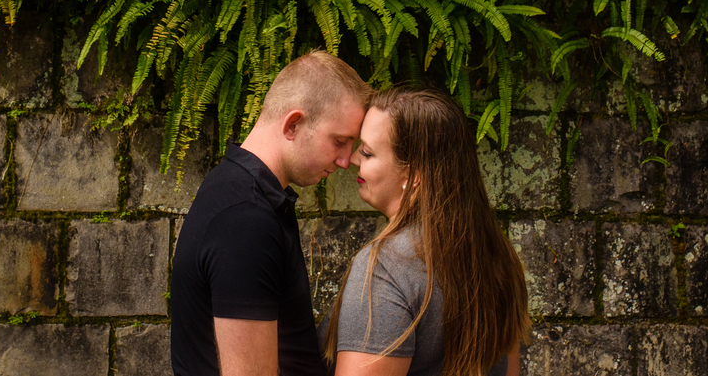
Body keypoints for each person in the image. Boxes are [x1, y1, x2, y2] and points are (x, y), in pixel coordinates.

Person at [171, 50, 373, 376]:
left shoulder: (241, 190)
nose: (346, 160)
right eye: (339, 141)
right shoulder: (245, 218)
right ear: (293, 124)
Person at [323, 89, 531, 376]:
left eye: (368, 152)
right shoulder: (497, 255)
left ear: (413, 176)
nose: (354, 159)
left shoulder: (386, 267)